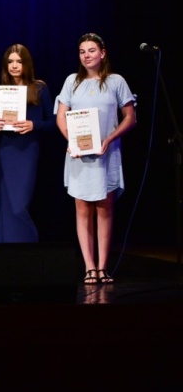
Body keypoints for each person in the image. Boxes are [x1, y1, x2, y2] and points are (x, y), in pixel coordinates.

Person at [55, 33, 136, 285]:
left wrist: (109, 139)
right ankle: (89, 267)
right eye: (82, 51)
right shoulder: (72, 81)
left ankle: (103, 267)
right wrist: (71, 139)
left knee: (104, 209)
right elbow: (61, 115)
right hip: (79, 154)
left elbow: (130, 118)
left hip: (106, 154)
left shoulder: (116, 81)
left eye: (91, 50)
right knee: (82, 209)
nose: (86, 55)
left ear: (102, 53)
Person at [0, 44, 57, 243]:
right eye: (10, 62)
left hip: (28, 150)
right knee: (7, 204)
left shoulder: (40, 88)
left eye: (19, 61)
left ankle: (29, 248)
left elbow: (53, 123)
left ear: (26, 63)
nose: (15, 66)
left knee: (19, 205)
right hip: (7, 148)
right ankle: (5, 250)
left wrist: (33, 125)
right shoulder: (3, 90)